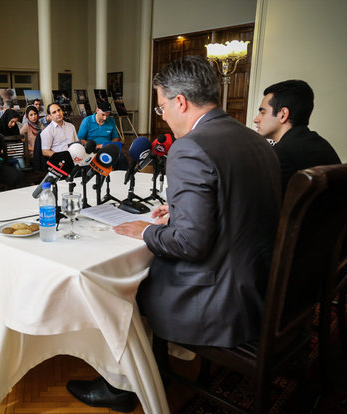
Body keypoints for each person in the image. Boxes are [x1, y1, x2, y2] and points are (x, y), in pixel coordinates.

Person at [66, 56, 282, 412]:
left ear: (181, 101)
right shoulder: (257, 140)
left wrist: (149, 229)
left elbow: (189, 243)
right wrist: (180, 213)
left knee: (121, 284)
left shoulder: (190, 147)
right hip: (258, 285)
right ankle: (152, 367)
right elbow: (240, 207)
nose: (162, 114)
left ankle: (122, 386)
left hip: (219, 299)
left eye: (162, 105)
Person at [253, 79, 341, 195]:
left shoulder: (281, 154)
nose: (256, 119)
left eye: (262, 112)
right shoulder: (322, 145)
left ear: (283, 115)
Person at [77, 101, 127, 170]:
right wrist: (96, 146)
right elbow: (80, 140)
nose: (105, 118)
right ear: (97, 110)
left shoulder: (111, 120)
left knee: (121, 158)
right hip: (92, 149)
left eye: (107, 115)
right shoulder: (87, 121)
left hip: (107, 148)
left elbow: (115, 138)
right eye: (103, 115)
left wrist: (108, 145)